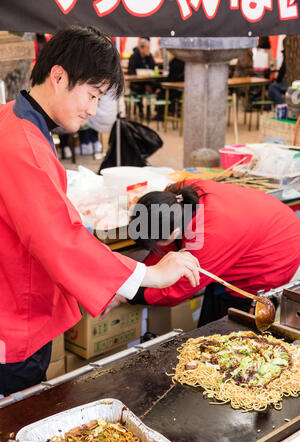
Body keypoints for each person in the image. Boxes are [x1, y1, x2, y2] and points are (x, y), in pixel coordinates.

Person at [0, 26, 200, 397]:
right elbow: (57, 237)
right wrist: (147, 275)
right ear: (57, 76)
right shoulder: (22, 142)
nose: (93, 110)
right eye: (91, 95)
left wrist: (109, 280)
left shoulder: (12, 117)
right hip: (14, 317)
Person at [123, 179, 300, 327]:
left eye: (155, 244)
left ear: (173, 234)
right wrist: (133, 278)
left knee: (232, 326)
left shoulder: (207, 238)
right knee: (214, 306)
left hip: (276, 251)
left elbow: (177, 288)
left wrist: (127, 295)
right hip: (260, 222)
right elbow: (165, 252)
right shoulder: (172, 197)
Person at [128, 38, 159, 118]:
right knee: (140, 89)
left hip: (148, 82)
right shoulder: (134, 57)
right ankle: (141, 109)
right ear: (141, 48)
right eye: (147, 48)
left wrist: (149, 57)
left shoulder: (149, 56)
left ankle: (155, 111)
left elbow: (153, 68)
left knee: (159, 86)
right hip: (137, 83)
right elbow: (131, 72)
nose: (149, 50)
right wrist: (145, 83)